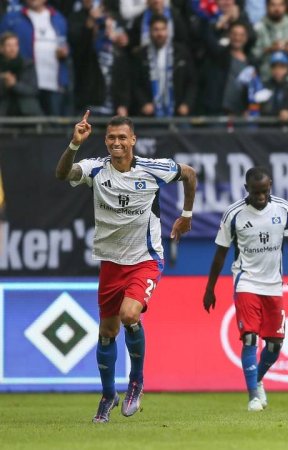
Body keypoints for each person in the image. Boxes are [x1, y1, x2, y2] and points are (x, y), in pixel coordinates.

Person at [54, 112, 197, 423]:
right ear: (105, 140)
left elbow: (189, 173)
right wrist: (74, 144)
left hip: (144, 259)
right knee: (107, 332)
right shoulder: (95, 169)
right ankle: (108, 396)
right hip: (111, 261)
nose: (116, 142)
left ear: (133, 140)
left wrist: (186, 214)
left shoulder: (153, 168)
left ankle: (136, 382)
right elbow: (62, 174)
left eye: (122, 137)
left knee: (129, 314)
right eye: (111, 138)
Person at [203, 166, 288, 412]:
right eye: (255, 192)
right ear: (246, 189)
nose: (260, 197)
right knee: (249, 337)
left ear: (270, 187)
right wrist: (210, 288)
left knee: (274, 345)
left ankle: (257, 379)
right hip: (246, 281)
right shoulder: (233, 214)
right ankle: (253, 397)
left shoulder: (284, 209)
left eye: (264, 192)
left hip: (274, 284)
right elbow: (220, 254)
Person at [0, 0, 70, 115]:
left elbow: (66, 45)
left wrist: (65, 52)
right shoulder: (12, 19)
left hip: (53, 83)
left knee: (55, 128)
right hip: (22, 83)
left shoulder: (58, 18)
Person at [131, 13, 197, 117]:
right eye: (156, 29)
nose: (160, 33)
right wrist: (143, 103)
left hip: (177, 113)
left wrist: (187, 104)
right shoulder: (141, 55)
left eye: (163, 29)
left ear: (168, 31)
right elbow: (135, 83)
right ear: (150, 31)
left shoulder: (181, 52)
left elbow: (192, 82)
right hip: (150, 114)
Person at [251, 0, 288, 87]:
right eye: (273, 5)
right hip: (265, 80)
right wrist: (269, 49)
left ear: (285, 7)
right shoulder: (258, 29)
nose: (277, 9)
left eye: (280, 5)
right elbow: (250, 56)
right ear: (266, 6)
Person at [0, 31, 42, 116]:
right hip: (4, 113)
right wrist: (3, 82)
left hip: (27, 112)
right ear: (1, 48)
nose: (12, 49)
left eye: (15, 45)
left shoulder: (28, 65)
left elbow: (33, 90)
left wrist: (15, 85)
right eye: (9, 45)